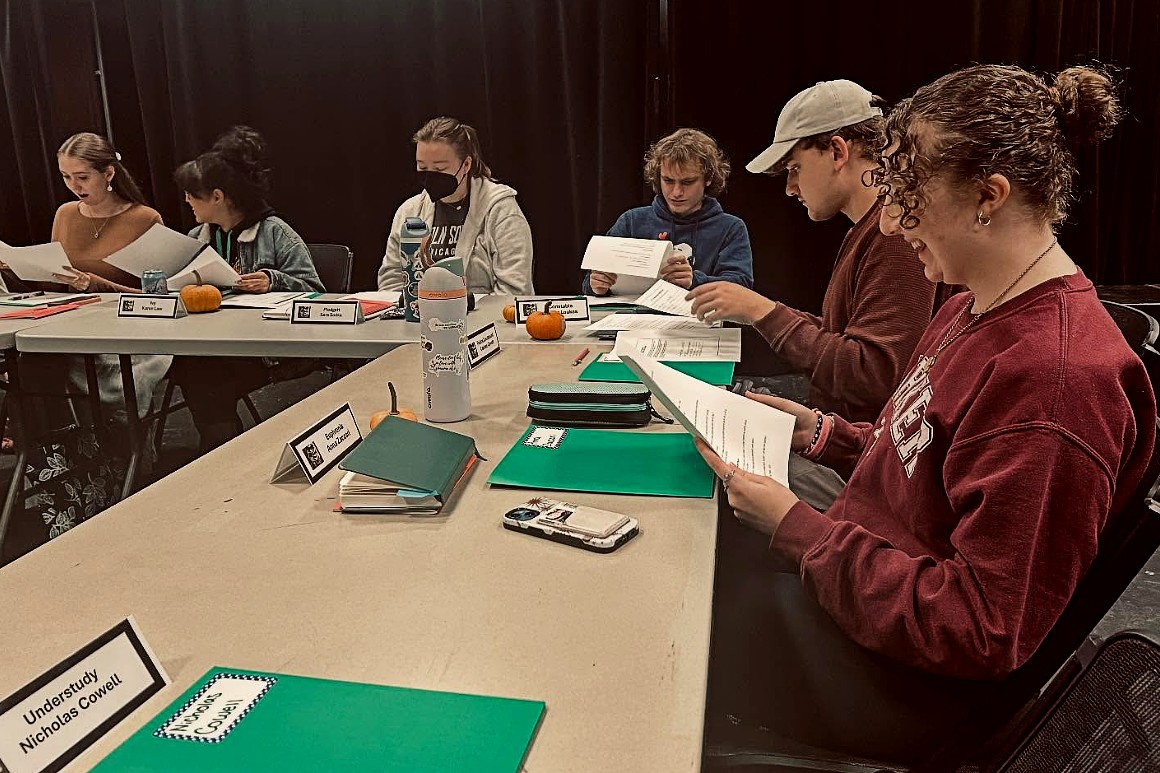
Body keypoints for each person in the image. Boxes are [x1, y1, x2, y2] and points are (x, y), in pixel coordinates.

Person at [697, 64, 1156, 764]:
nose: (888, 218)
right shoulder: (969, 304)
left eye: (908, 197)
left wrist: (802, 533)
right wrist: (822, 432)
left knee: (683, 626)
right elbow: (917, 450)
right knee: (703, 547)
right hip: (871, 600)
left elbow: (980, 626)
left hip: (908, 686)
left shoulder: (1055, 382)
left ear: (987, 197)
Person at [687, 81, 938, 425]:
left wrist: (763, 311)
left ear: (837, 151)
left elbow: (873, 378)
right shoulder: (867, 229)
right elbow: (843, 337)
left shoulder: (893, 236)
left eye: (794, 169)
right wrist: (758, 310)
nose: (790, 188)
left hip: (855, 451)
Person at [170, 126, 324, 452]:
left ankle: (221, 449)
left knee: (205, 374)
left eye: (192, 193)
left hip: (266, 351)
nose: (186, 200)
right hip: (216, 345)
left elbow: (317, 292)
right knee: (191, 364)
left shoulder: (274, 232)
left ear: (217, 196)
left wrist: (274, 279)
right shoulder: (199, 236)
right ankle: (220, 447)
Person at [19, 134, 171, 445]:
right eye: (66, 177)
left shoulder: (144, 219)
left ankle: (113, 454)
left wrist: (94, 283)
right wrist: (23, 267)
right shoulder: (65, 213)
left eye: (83, 177)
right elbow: (56, 279)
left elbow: (158, 299)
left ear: (109, 173)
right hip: (73, 324)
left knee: (49, 363)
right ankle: (58, 458)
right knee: (29, 362)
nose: (75, 186)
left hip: (127, 329)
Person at [583, 127, 753, 297]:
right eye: (668, 180)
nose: (676, 192)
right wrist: (596, 285)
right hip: (634, 320)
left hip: (700, 321)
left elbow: (742, 287)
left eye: (687, 182)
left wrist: (695, 280)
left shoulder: (730, 228)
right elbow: (592, 280)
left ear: (708, 178)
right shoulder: (631, 221)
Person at [378, 117, 533, 296]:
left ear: (466, 164)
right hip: (419, 320)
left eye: (440, 169)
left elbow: (514, 291)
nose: (430, 177)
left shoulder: (501, 211)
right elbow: (391, 282)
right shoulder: (409, 211)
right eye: (422, 168)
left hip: (482, 320)